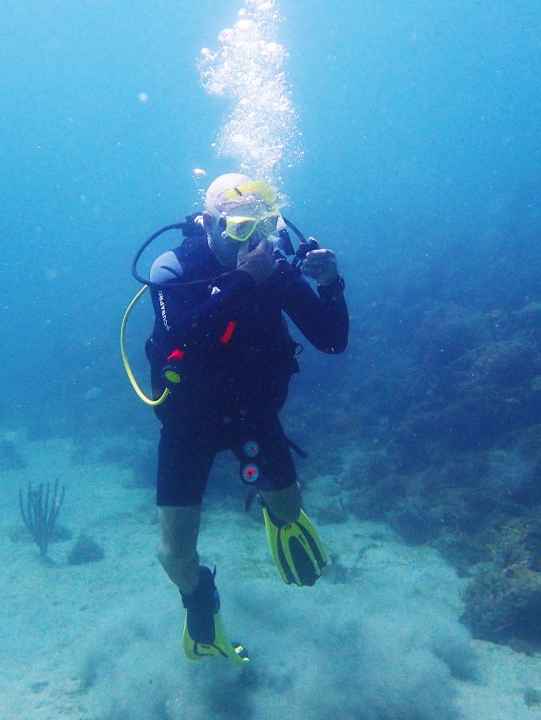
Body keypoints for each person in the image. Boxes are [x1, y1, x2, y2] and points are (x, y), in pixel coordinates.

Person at [146, 173, 349, 665]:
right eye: (239, 229)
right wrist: (242, 281)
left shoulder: (273, 268)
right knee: (175, 555)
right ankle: (201, 599)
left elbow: (331, 340)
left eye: (264, 227)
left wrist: (330, 284)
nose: (252, 242)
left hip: (252, 415)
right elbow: (177, 343)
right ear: (211, 223)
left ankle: (273, 513)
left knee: (286, 507)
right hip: (188, 424)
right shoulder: (174, 267)